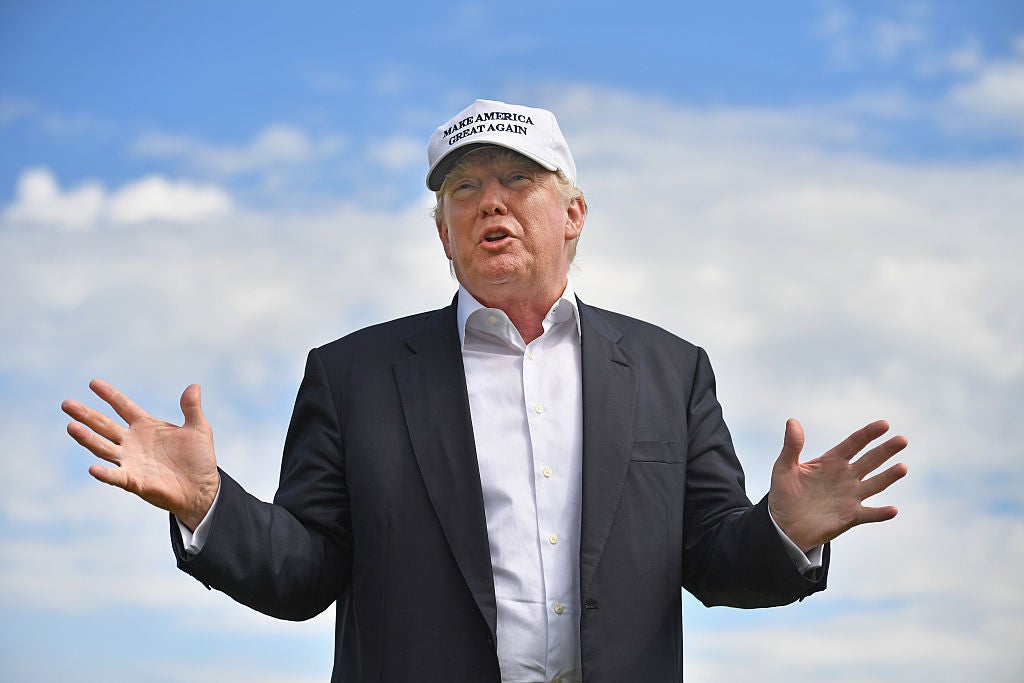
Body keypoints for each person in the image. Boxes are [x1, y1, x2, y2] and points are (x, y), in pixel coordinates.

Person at [62, 99, 908, 683]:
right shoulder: (353, 376)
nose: (488, 203)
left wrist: (784, 530)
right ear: (441, 232)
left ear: (573, 213)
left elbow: (716, 562)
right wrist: (210, 503)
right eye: (463, 188)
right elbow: (305, 572)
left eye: (517, 180)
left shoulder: (668, 370)